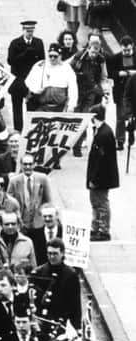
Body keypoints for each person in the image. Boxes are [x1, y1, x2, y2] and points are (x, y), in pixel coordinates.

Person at [71, 33, 108, 157]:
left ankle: (78, 147)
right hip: (78, 91)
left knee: (86, 118)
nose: (94, 55)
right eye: (92, 52)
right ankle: (75, 143)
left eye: (96, 53)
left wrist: (105, 91)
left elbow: (104, 77)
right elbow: (69, 72)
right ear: (88, 48)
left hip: (92, 93)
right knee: (76, 119)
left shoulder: (101, 59)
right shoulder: (79, 56)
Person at [86, 104, 119, 241]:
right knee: (95, 202)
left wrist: (94, 178)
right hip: (99, 176)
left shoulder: (103, 134)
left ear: (94, 117)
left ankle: (103, 230)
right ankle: (96, 227)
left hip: (101, 177)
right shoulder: (102, 131)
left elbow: (101, 160)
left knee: (101, 203)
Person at [31, 238, 81, 328]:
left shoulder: (71, 275)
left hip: (62, 321)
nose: (52, 257)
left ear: (62, 253)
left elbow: (75, 304)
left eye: (55, 254)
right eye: (49, 253)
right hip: (42, 321)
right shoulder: (39, 272)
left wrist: (77, 327)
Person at [0, 211, 37, 285]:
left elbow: (34, 270)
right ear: (1, 225)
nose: (10, 227)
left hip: (20, 287)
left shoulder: (27, 242)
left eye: (13, 224)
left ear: (18, 224)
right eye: (7, 224)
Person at [7, 21, 45, 131]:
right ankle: (18, 129)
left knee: (32, 106)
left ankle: (30, 129)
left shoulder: (38, 42)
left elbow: (42, 61)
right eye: (28, 31)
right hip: (18, 79)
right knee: (17, 107)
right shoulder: (15, 43)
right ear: (23, 30)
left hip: (32, 80)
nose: (30, 33)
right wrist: (25, 54)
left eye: (32, 31)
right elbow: (11, 61)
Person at [7, 154, 53, 234]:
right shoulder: (14, 181)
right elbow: (9, 202)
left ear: (34, 164)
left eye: (30, 164)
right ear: (21, 165)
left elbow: (48, 201)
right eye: (25, 164)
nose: (27, 167)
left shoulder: (42, 178)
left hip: (38, 223)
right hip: (21, 224)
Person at [25, 43, 78, 112]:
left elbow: (73, 88)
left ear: (60, 56)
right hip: (41, 105)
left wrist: (71, 105)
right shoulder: (40, 65)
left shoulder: (66, 68)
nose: (52, 58)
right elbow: (28, 81)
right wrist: (36, 89)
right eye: (50, 56)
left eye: (55, 56)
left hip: (60, 107)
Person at [107, 36, 136, 150]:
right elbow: (109, 72)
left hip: (134, 90)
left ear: (132, 46)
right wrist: (119, 74)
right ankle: (120, 140)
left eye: (128, 50)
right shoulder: (116, 58)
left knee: (133, 115)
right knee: (120, 117)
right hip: (121, 91)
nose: (126, 52)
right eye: (124, 50)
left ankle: (131, 131)